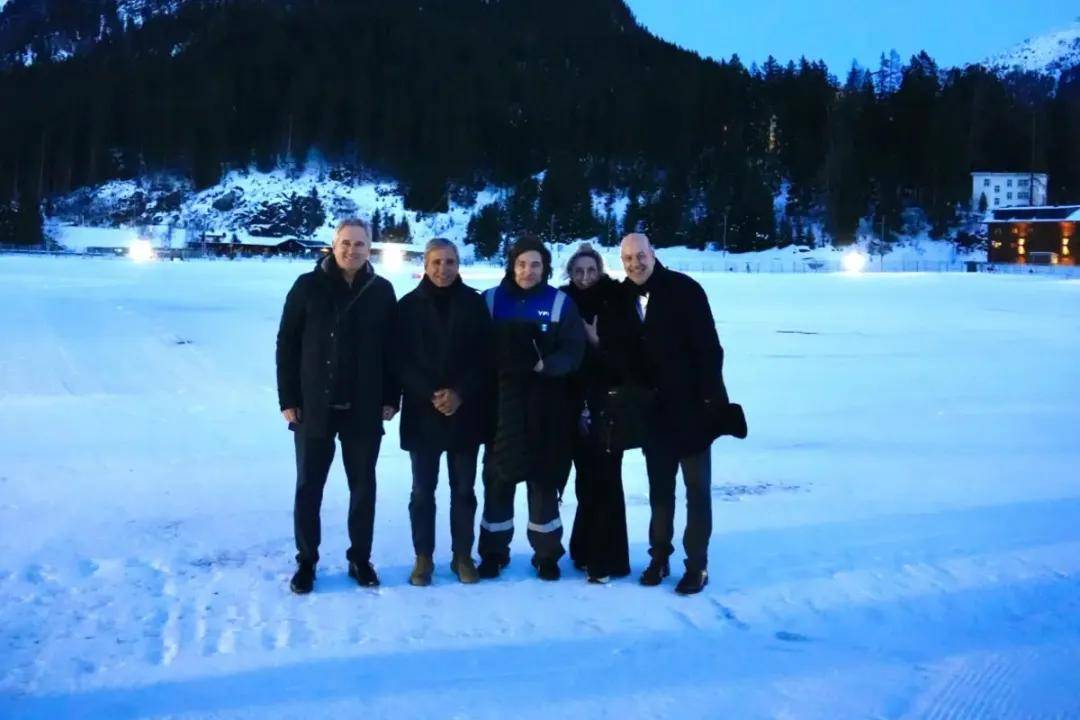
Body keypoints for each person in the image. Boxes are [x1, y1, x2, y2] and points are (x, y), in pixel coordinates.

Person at [276, 218, 399, 594]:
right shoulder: (307, 286)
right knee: (309, 487)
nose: (352, 250)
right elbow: (287, 344)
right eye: (346, 243)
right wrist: (288, 399)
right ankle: (306, 560)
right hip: (314, 405)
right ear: (333, 245)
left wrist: (391, 397)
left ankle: (360, 558)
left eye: (360, 244)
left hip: (364, 406)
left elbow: (393, 350)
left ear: (369, 249)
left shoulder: (381, 291)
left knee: (363, 487)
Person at [608, 232, 729, 595]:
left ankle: (697, 564)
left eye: (640, 256)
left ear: (653, 253)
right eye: (628, 259)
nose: (635, 264)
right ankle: (659, 557)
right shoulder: (621, 298)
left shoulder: (685, 290)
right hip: (652, 414)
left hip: (692, 411)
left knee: (697, 490)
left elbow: (710, 351)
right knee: (660, 491)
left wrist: (710, 403)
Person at [476, 236, 585, 581]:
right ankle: (494, 552)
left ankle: (547, 553)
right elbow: (473, 348)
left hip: (545, 407)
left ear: (545, 268)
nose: (528, 271)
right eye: (521, 264)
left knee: (543, 480)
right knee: (498, 478)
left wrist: (547, 366)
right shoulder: (490, 300)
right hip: (500, 406)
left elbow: (574, 351)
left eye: (535, 264)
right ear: (512, 265)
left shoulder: (560, 303)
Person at [396, 238, 492, 586]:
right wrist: (431, 394)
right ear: (425, 265)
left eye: (450, 262)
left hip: (465, 412)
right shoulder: (407, 306)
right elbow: (399, 359)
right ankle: (423, 557)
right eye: (436, 262)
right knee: (423, 491)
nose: (443, 269)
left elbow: (486, 357)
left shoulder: (474, 304)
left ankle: (462, 555)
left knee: (463, 490)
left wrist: (459, 393)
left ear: (458, 264)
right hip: (422, 413)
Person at [558, 243, 631, 583]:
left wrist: (597, 342)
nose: (585, 277)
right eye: (578, 271)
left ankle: (606, 557)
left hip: (609, 403)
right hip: (572, 403)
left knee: (607, 479)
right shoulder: (563, 301)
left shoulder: (616, 300)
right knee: (584, 480)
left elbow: (629, 358)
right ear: (570, 273)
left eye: (591, 270)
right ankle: (583, 549)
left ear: (600, 271)